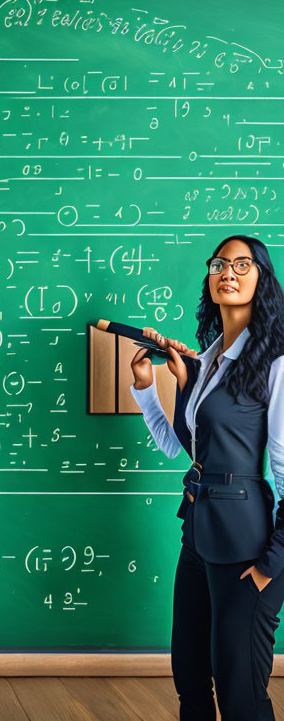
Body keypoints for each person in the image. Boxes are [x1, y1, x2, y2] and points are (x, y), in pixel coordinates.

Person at [129, 234, 284, 720]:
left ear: (262, 279)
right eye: (220, 264)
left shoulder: (277, 363)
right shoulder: (206, 360)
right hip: (197, 537)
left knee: (240, 693)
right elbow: (183, 447)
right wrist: (147, 389)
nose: (229, 272)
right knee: (190, 676)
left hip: (247, 548)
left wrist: (270, 565)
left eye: (242, 264)